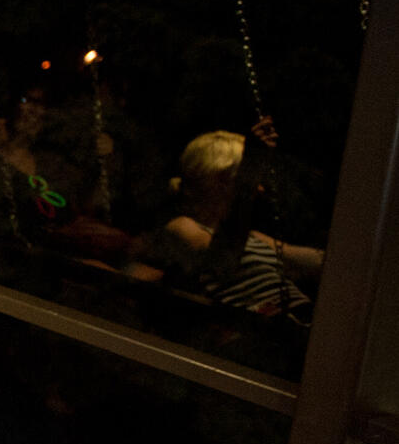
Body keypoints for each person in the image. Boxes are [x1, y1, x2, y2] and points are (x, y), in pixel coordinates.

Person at [126, 126, 321, 322]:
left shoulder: (254, 237)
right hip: (257, 335)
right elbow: (223, 261)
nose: (259, 189)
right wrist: (250, 169)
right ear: (219, 179)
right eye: (244, 176)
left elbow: (313, 262)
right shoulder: (183, 227)